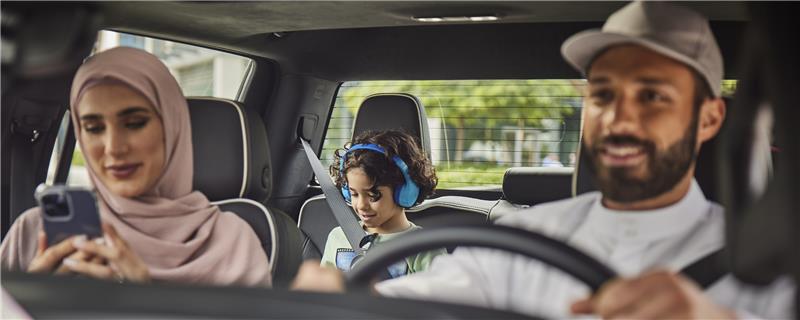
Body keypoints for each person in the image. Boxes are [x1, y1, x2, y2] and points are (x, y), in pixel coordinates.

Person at [293, 2, 795, 318]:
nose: (619, 118)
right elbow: (421, 300)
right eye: (603, 95)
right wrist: (339, 296)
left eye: (652, 96)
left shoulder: (769, 267)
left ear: (709, 119)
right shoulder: (527, 239)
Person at [0, 47, 271, 287]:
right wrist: (25, 298)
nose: (113, 147)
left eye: (134, 123)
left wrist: (140, 298)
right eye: (93, 128)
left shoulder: (232, 244)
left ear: (172, 128)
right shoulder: (33, 233)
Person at [321, 130, 444, 277]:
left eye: (373, 196)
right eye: (353, 194)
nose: (361, 205)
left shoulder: (424, 247)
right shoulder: (338, 237)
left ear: (405, 192)